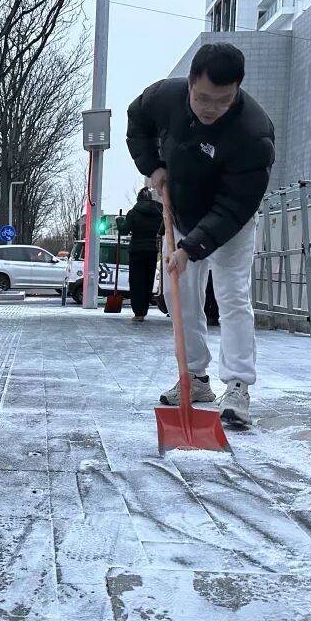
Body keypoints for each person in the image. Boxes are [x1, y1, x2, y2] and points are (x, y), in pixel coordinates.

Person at [126, 42, 275, 425]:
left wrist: (190, 249)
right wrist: (153, 167)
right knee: (182, 297)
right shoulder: (165, 97)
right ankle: (193, 377)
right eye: (204, 98)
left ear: (237, 89)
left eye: (223, 100)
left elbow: (232, 209)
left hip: (230, 225)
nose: (211, 108)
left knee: (231, 297)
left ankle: (238, 384)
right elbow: (136, 121)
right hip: (180, 213)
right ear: (190, 83)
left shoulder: (253, 135)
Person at [123, 187, 164, 322]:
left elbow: (124, 230)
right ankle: (144, 310)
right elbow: (163, 228)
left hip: (136, 251)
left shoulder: (133, 213)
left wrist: (118, 220)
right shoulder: (158, 212)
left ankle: (138, 312)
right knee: (148, 280)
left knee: (136, 282)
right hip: (152, 250)